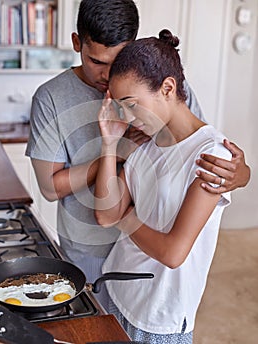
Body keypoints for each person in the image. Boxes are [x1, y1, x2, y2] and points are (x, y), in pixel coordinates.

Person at [25, 0, 250, 311]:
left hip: (149, 252)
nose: (107, 75)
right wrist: (117, 149)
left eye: (118, 62)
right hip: (87, 246)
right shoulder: (50, 98)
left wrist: (241, 174)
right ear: (77, 43)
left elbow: (199, 148)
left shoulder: (158, 86)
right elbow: (50, 188)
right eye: (97, 61)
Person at [94, 29, 235, 342]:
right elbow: (105, 215)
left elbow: (173, 252)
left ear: (168, 88)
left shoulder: (212, 154)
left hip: (158, 316)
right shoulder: (145, 142)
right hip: (115, 288)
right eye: (120, 108)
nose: (127, 117)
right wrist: (109, 142)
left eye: (131, 104)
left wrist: (125, 216)